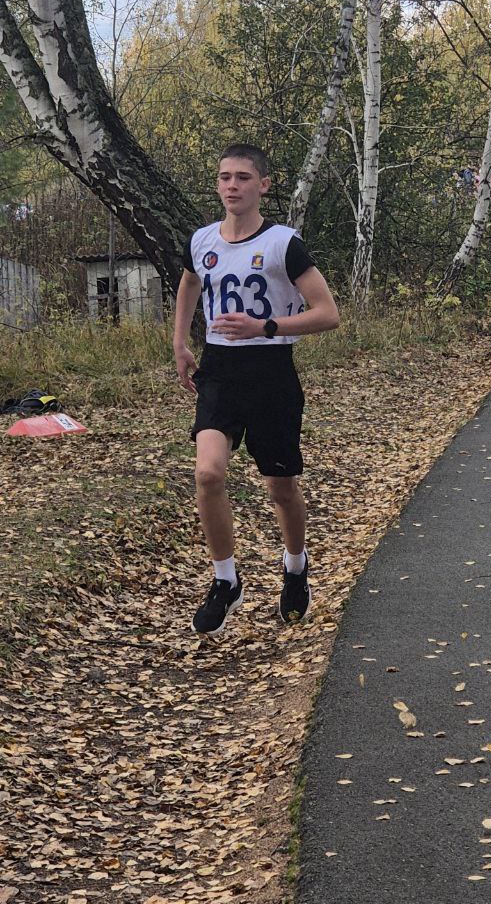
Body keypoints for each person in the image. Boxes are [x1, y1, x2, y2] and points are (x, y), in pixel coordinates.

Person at [174, 143, 341, 636]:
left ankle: (295, 569)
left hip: (271, 372)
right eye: (224, 176)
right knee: (208, 473)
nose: (231, 185)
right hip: (219, 371)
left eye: (243, 177)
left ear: (263, 185)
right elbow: (188, 284)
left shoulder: (284, 243)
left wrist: (265, 326)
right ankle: (226, 581)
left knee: (281, 488)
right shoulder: (202, 239)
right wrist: (181, 342)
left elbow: (328, 314)